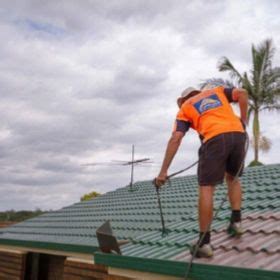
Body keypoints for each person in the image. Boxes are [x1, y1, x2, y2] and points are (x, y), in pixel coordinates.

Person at [154, 85, 248, 258]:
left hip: (214, 138)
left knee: (206, 188)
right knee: (233, 178)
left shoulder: (185, 107)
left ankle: (204, 243)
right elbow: (242, 93)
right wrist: (244, 120)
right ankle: (236, 223)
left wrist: (163, 172)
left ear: (182, 100)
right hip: (238, 134)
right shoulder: (217, 92)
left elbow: (176, 138)